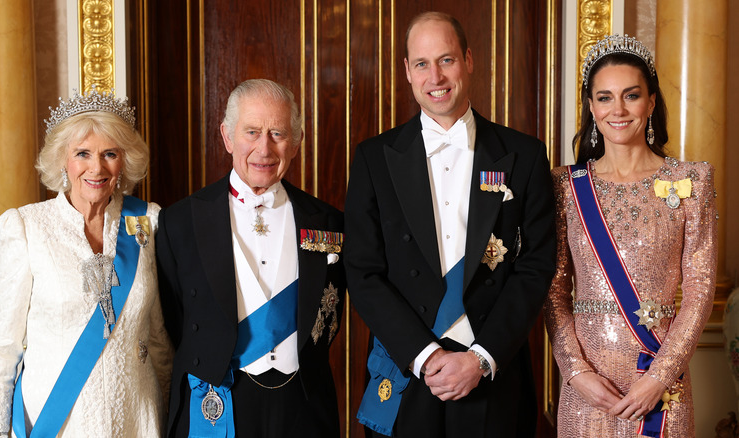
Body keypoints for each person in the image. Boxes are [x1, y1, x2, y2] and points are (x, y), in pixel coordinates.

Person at [344, 11, 556, 437]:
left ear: (469, 60)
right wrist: (424, 355)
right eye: (422, 63)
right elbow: (362, 271)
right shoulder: (373, 158)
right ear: (406, 71)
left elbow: (535, 267)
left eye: (447, 60)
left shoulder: (524, 155)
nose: (435, 76)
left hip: (493, 371)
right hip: (408, 370)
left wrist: (481, 358)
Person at [544, 34, 717, 437]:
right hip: (587, 390)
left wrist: (659, 377)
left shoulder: (691, 180)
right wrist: (575, 371)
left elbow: (700, 289)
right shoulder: (565, 186)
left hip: (660, 383)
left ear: (652, 101)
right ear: (590, 107)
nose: (617, 110)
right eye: (604, 97)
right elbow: (553, 292)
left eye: (631, 95)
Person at [156, 79, 345, 437]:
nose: (264, 148)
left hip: (303, 407)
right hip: (216, 401)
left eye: (278, 133)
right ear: (227, 137)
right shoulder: (180, 221)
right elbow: (174, 319)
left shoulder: (329, 223)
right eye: (252, 132)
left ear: (297, 142)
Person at [0, 87, 173, 437]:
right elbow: (4, 345)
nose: (96, 168)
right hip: (56, 420)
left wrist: (174, 416)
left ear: (124, 160)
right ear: (62, 160)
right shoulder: (25, 227)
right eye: (82, 153)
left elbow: (158, 335)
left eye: (109, 154)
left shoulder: (147, 222)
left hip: (137, 417)